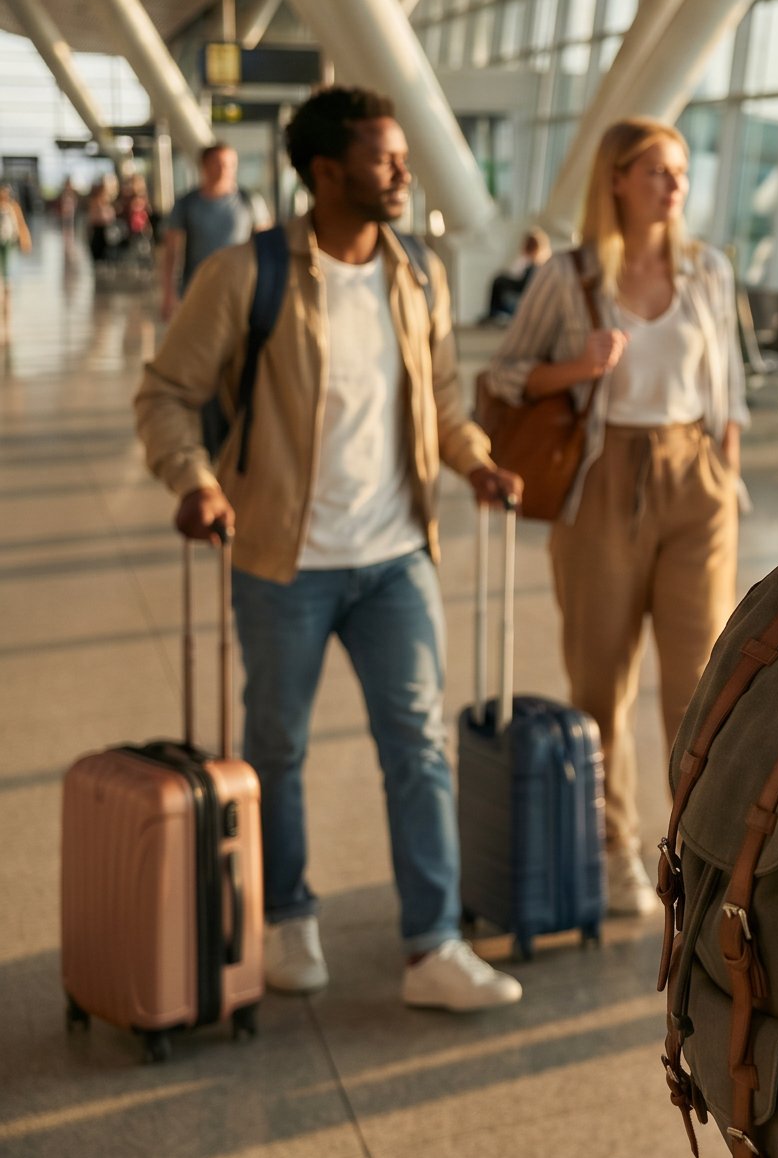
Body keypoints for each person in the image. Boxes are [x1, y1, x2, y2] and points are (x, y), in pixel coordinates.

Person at [133, 86, 526, 1011]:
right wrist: (194, 483)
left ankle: (432, 946)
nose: (401, 171)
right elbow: (165, 395)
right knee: (277, 744)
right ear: (325, 171)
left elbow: (443, 407)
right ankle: (287, 916)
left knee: (420, 749)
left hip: (396, 557)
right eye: (384, 157)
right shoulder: (246, 274)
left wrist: (476, 465)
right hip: (282, 561)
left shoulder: (418, 275)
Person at [483, 117, 748, 920]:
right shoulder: (568, 278)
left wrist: (725, 471)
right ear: (617, 181)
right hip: (601, 482)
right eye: (659, 171)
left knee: (700, 681)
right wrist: (579, 365)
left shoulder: (708, 271)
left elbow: (728, 385)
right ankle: (612, 846)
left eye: (682, 171)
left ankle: (696, 849)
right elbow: (504, 376)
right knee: (602, 677)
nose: (676, 185)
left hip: (692, 479)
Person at [161, 142, 260, 320]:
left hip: (241, 289)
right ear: (204, 166)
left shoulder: (249, 201)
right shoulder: (187, 203)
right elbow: (172, 250)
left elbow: (264, 243)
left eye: (230, 164)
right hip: (197, 289)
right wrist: (169, 293)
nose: (225, 169)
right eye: (219, 163)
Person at [481, 227, 551, 324]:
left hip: (527, 293)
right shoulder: (527, 260)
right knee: (499, 281)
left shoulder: (539, 264)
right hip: (521, 291)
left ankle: (495, 313)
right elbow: (513, 272)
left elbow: (515, 274)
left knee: (499, 280)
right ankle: (495, 313)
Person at [0, 181, 30, 348]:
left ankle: (7, 322)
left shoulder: (13, 207)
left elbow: (20, 224)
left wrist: (24, 240)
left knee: (8, 282)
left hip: (8, 246)